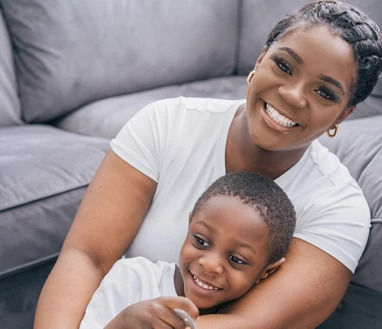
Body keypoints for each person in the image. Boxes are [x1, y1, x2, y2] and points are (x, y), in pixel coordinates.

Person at [34, 1, 382, 328]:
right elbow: (86, 257)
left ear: (344, 114)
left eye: (325, 93)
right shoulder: (166, 123)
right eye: (284, 66)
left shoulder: (339, 209)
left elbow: (248, 324)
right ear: (260, 60)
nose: (293, 95)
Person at [79, 171, 296, 328]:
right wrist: (123, 323)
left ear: (266, 272)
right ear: (190, 224)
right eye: (201, 241)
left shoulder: (251, 318)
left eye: (236, 259)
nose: (209, 265)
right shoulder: (133, 278)